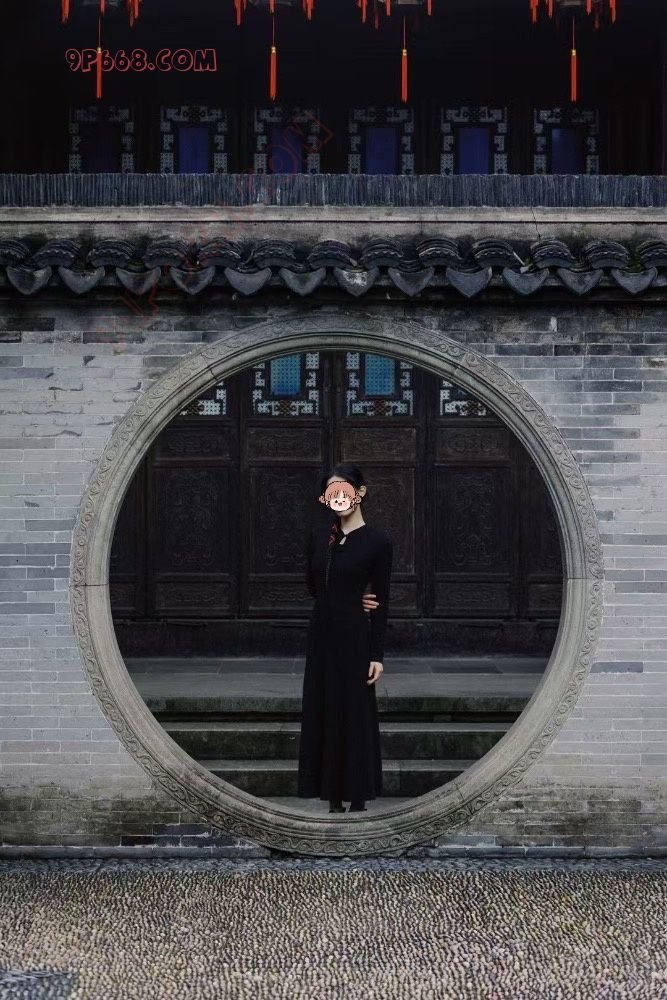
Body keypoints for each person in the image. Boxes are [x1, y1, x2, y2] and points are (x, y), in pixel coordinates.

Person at [297, 462, 393, 813]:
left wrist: (377, 654)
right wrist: (346, 594)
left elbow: (381, 602)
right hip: (322, 635)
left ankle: (358, 794)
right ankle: (331, 794)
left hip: (355, 637)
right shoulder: (319, 536)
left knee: (354, 712)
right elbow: (313, 587)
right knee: (325, 707)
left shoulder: (378, 542)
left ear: (360, 492)